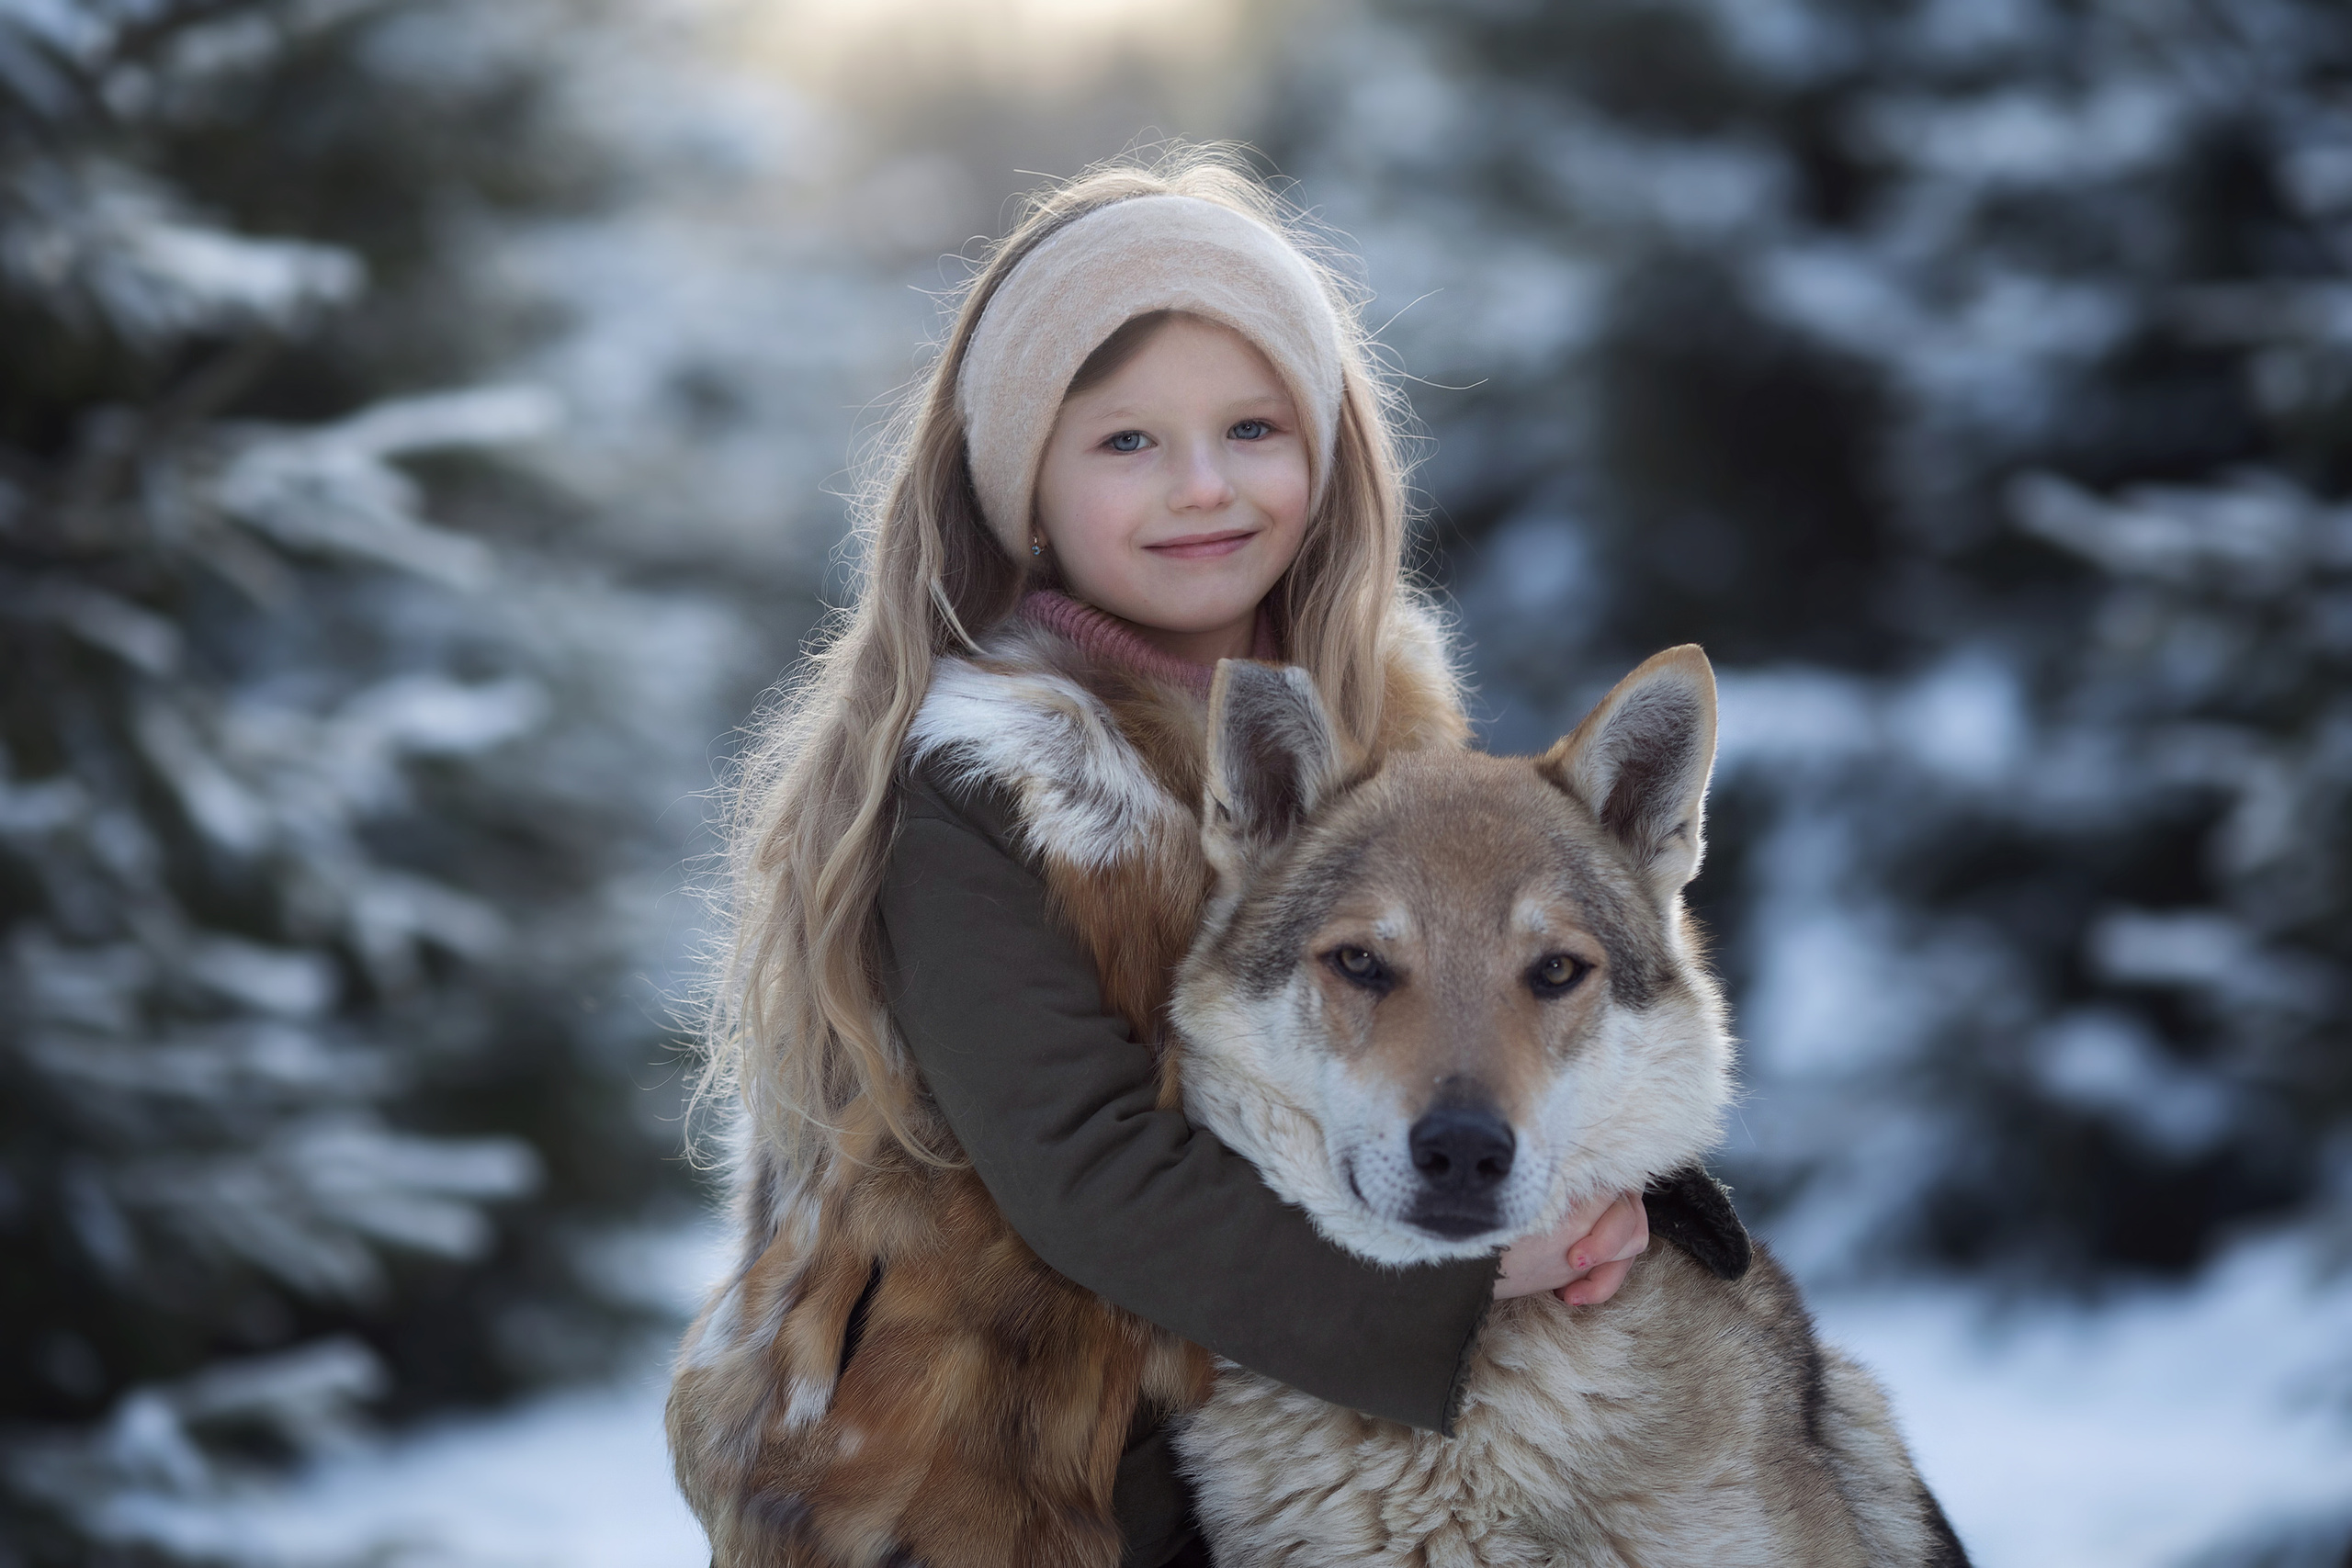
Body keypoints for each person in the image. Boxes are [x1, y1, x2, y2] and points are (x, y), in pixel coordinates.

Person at [671, 151, 1657, 1568]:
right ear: (1025, 493)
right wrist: (1455, 1290)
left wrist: (1588, 1206)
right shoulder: (980, 787)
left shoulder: (1388, 741)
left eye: (1252, 427)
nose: (1203, 486)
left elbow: (1481, 1027)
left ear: (1326, 457)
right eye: (1126, 442)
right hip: (1006, 1473)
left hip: (1273, 1420)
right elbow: (1086, 1169)